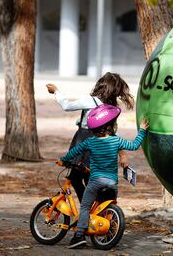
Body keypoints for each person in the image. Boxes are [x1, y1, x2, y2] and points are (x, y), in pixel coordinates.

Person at [59, 104, 149, 249]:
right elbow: (134, 145)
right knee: (108, 204)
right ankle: (109, 232)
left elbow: (75, 151)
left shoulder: (90, 142)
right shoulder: (116, 140)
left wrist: (64, 159)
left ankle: (79, 236)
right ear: (109, 127)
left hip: (95, 181)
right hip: (112, 182)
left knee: (85, 207)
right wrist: (143, 130)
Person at [46, 72, 134, 202]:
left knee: (76, 179)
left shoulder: (89, 101)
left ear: (100, 85)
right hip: (103, 146)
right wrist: (122, 154)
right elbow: (113, 132)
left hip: (84, 142)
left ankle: (87, 210)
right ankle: (98, 209)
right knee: (89, 179)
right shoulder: (112, 108)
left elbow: (67, 106)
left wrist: (56, 91)